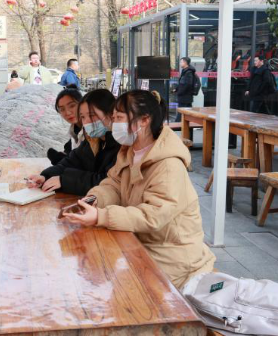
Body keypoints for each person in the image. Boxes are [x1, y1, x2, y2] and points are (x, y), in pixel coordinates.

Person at [62, 90, 215, 289]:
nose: (113, 124)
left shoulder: (168, 165)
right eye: (113, 117)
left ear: (143, 120)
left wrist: (102, 216)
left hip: (173, 258)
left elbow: (152, 216)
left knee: (109, 283)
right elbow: (114, 184)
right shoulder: (129, 151)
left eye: (119, 118)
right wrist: (94, 199)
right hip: (142, 243)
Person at [27, 89, 120, 196]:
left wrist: (64, 180)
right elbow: (70, 162)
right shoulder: (91, 141)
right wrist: (45, 176)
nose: (86, 122)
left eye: (91, 115)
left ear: (110, 115)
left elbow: (107, 181)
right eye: (83, 117)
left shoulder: (121, 145)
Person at [46, 85, 83, 165]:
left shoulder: (92, 131)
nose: (67, 113)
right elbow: (68, 148)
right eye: (62, 109)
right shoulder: (75, 129)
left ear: (82, 104)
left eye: (72, 106)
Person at [174, 57, 196, 122]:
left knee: (181, 113)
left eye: (181, 62)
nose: (180, 63)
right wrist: (177, 89)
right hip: (185, 97)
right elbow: (182, 83)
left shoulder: (188, 72)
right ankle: (187, 126)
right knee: (188, 114)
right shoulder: (185, 71)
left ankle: (177, 125)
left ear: (185, 63)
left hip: (185, 97)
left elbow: (188, 84)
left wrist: (180, 92)